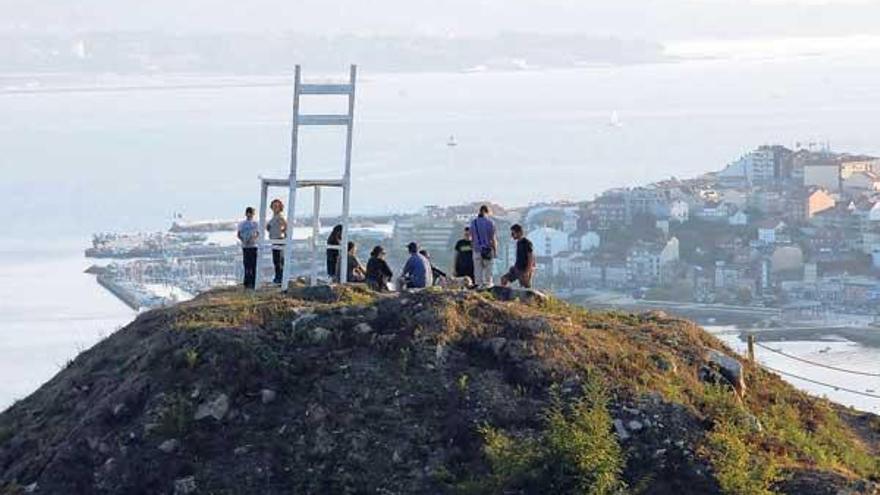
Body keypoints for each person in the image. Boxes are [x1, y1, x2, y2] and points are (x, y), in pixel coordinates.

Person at [470, 204, 497, 288]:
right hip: (487, 250)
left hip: (477, 250)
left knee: (478, 273)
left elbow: (472, 238)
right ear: (487, 212)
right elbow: (493, 239)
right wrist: (495, 251)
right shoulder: (490, 223)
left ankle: (478, 289)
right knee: (488, 274)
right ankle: (488, 289)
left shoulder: (473, 223)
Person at [501, 224, 535, 289]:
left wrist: (527, 271)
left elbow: (531, 258)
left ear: (519, 233)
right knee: (504, 279)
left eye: (513, 233)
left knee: (526, 288)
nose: (512, 235)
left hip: (524, 270)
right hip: (517, 268)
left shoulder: (527, 243)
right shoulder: (518, 243)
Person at [236, 206, 260, 289]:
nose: (250, 215)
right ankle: (247, 282)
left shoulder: (255, 223)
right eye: (249, 213)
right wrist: (243, 240)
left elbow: (258, 233)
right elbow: (238, 234)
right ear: (246, 213)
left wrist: (253, 239)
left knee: (253, 264)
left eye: (252, 213)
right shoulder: (242, 224)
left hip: (253, 246)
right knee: (247, 265)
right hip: (245, 246)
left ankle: (253, 281)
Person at [266, 199, 287, 284]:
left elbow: (286, 225)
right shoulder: (274, 217)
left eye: (276, 206)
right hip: (274, 239)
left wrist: (282, 232)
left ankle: (280, 277)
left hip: (279, 239)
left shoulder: (280, 216)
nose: (275, 208)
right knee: (276, 259)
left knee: (279, 259)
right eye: (274, 206)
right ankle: (278, 277)